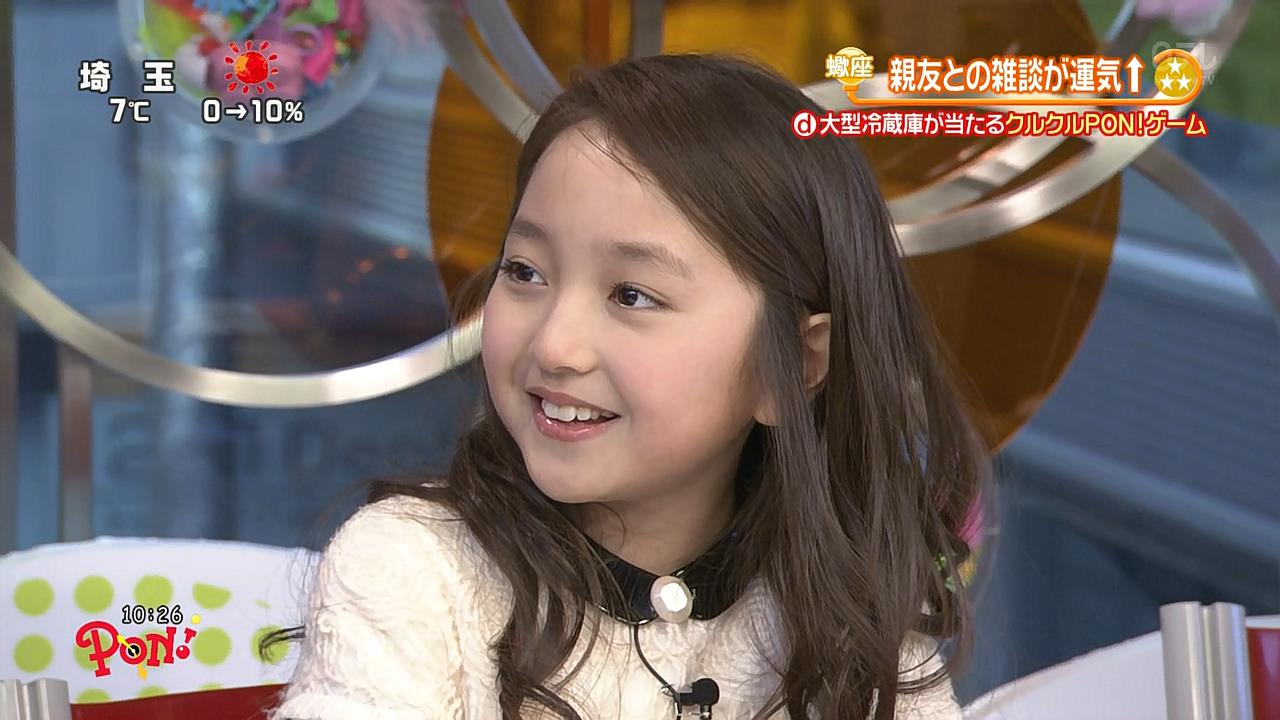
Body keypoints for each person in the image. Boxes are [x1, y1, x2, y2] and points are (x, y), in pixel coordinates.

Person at [265, 51, 991, 719]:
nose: (555, 345)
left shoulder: (856, 616)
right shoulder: (411, 571)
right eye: (525, 272)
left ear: (794, 366)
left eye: (632, 295)